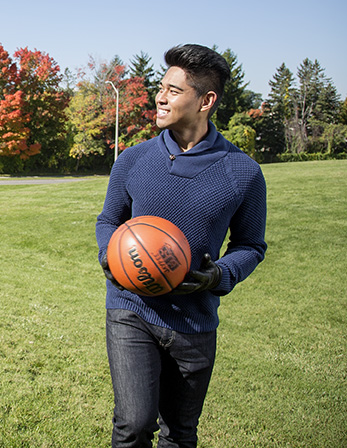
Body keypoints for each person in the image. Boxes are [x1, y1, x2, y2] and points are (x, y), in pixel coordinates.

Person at [96, 44, 267, 448]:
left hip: (195, 321)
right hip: (131, 308)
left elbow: (251, 245)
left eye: (173, 90)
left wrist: (219, 274)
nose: (160, 96)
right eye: (161, 87)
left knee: (180, 433)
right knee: (134, 424)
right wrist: (109, 254)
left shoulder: (242, 172)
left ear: (206, 100)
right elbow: (108, 220)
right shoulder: (133, 160)